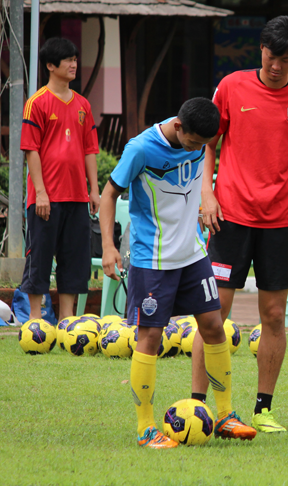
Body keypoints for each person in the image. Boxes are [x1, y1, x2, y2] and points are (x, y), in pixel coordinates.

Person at [100, 98, 257, 448]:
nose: (199, 149)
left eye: (204, 144)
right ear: (178, 126)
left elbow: (195, 178)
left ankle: (226, 415)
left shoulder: (199, 140)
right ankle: (145, 429)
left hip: (193, 254)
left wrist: (203, 204)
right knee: (151, 339)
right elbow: (108, 195)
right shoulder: (141, 149)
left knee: (215, 327)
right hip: (152, 259)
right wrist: (109, 247)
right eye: (194, 142)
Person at [199, 15, 288, 433]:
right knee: (214, 312)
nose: (277, 67)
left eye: (286, 60)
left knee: (273, 315)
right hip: (229, 215)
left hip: (279, 221)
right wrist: (207, 192)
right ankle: (200, 406)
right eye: (272, 57)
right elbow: (208, 146)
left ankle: (262, 409)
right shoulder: (232, 87)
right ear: (261, 50)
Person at [20, 37, 100, 321]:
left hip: (77, 197)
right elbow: (31, 150)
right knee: (39, 258)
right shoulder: (36, 103)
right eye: (67, 60)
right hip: (46, 197)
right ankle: (35, 319)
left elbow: (90, 149)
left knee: (75, 260)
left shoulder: (83, 105)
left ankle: (67, 321)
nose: (74, 64)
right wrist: (40, 193)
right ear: (51, 65)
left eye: (75, 59)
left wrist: (95, 190)